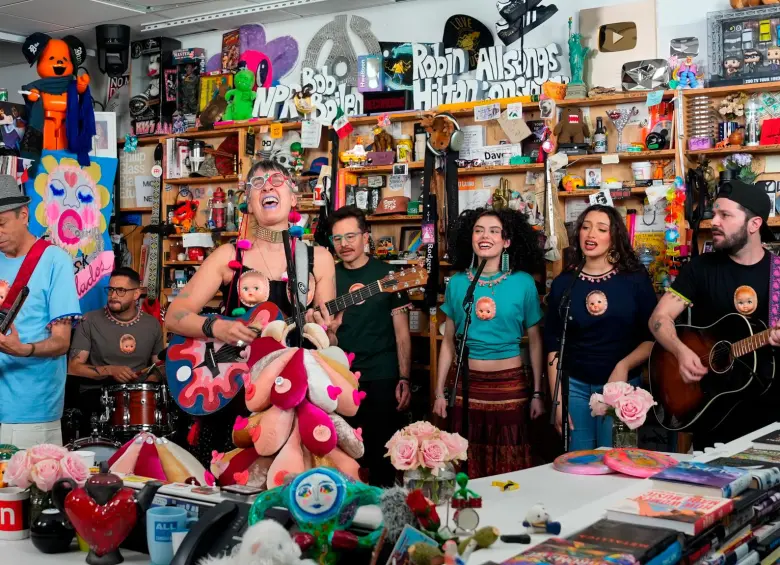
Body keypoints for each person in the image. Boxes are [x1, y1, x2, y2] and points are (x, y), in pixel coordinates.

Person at [166, 160, 341, 467]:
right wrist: (217, 328)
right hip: (234, 397)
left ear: (294, 196)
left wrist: (327, 327)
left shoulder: (318, 259)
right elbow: (174, 315)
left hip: (292, 397)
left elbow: (327, 335)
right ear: (248, 201)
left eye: (276, 180)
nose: (267, 187)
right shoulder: (228, 256)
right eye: (257, 184)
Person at [650, 180, 780, 448]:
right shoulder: (700, 269)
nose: (714, 222)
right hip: (712, 413)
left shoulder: (778, 272)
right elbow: (658, 319)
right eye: (714, 214)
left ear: (754, 224)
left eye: (725, 215)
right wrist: (680, 351)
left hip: (770, 416)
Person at [432, 207, 544, 478]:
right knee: (465, 461)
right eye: (479, 230)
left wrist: (538, 393)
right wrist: (438, 392)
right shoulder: (458, 283)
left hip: (510, 386)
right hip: (466, 385)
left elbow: (536, 342)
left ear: (507, 241)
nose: (485, 236)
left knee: (510, 463)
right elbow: (448, 341)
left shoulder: (523, 283)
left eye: (495, 231)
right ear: (470, 238)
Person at [545, 205, 657, 451]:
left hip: (623, 387)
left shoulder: (635, 279)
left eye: (601, 228)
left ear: (614, 237)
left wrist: (623, 366)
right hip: (575, 387)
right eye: (585, 227)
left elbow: (652, 338)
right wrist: (557, 400)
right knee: (579, 464)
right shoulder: (565, 282)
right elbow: (553, 344)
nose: (590, 234)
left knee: (621, 461)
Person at [329, 206, 411, 486]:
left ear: (366, 236)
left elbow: (402, 333)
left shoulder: (388, 275)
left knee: (381, 456)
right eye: (337, 238)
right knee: (343, 458)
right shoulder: (327, 277)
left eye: (351, 236)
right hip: (338, 377)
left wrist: (404, 377)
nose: (344, 244)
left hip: (380, 375)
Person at [0, 175, 80, 447]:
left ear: (23, 215)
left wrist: (24, 349)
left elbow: (61, 342)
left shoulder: (54, 260)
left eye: (1, 224)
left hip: (30, 410)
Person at [68, 267, 164, 438]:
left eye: (121, 290)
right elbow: (74, 367)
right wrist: (110, 370)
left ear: (136, 294)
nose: (113, 295)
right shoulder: (90, 320)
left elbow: (160, 365)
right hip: (98, 397)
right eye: (111, 289)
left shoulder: (152, 325)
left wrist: (150, 383)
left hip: (140, 400)